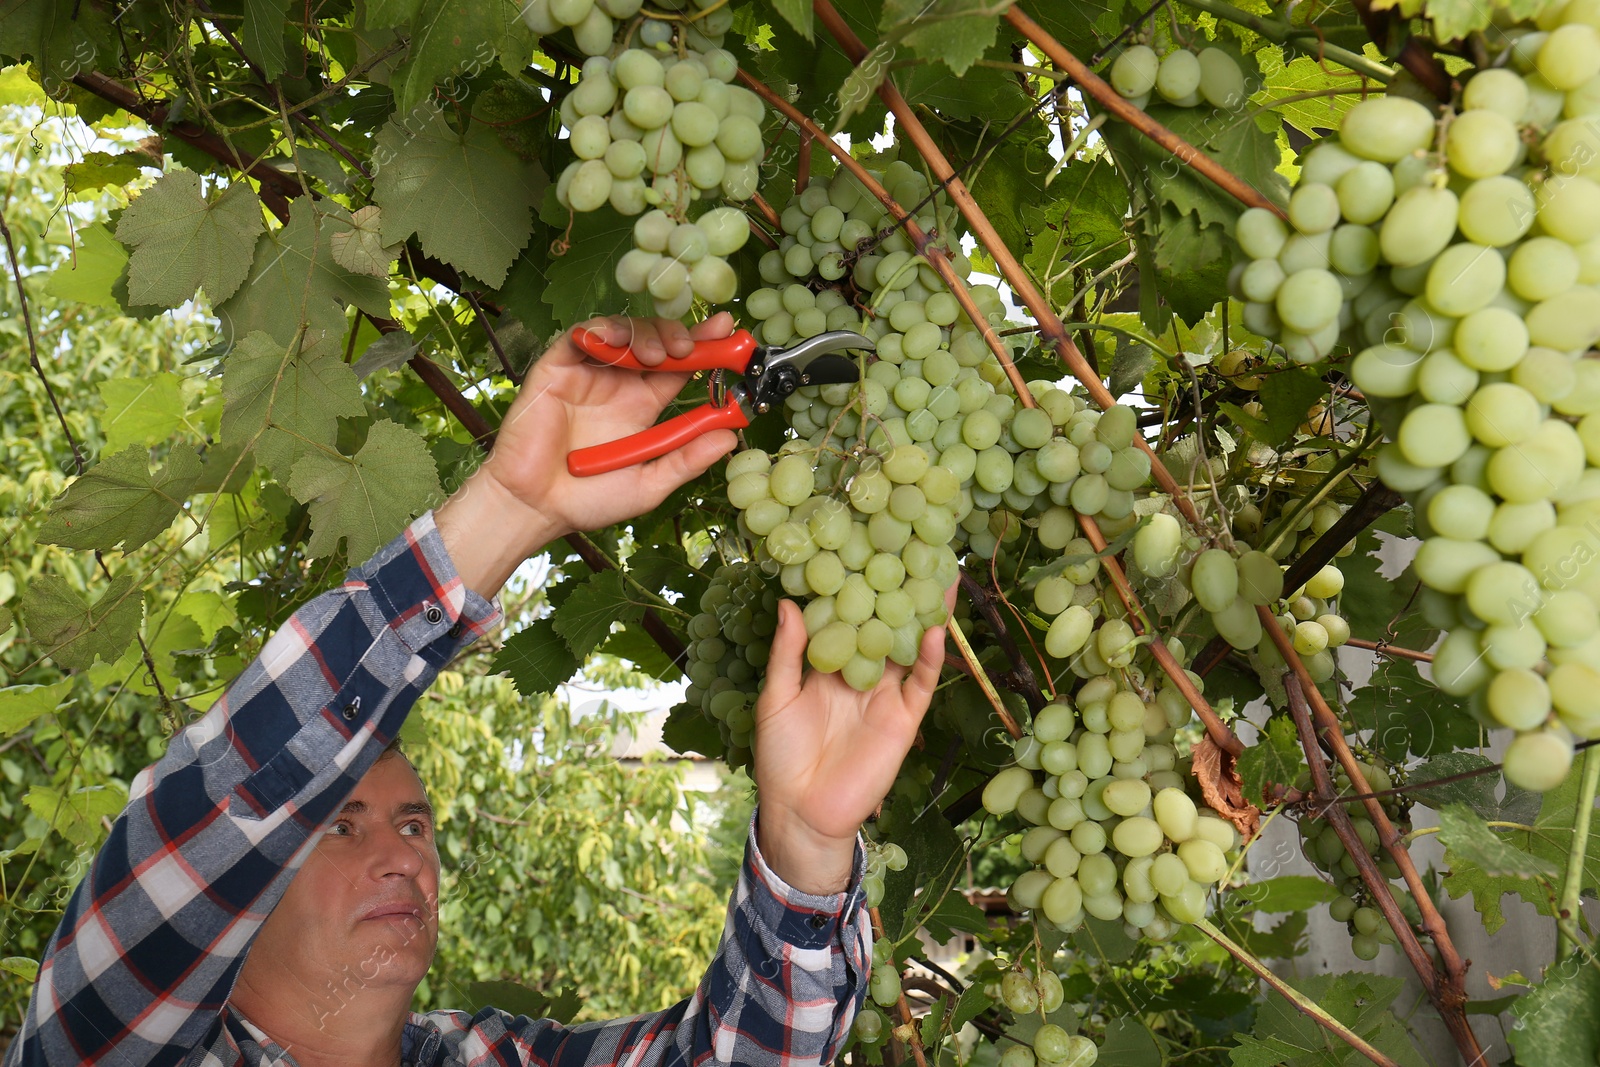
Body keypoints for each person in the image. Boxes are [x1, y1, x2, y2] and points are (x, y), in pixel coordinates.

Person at [6, 313, 948, 1067]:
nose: (401, 858)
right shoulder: (118, 1046)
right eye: (341, 822)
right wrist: (508, 511)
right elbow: (194, 840)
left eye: (414, 824)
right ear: (253, 882)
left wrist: (804, 844)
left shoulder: (492, 1056)